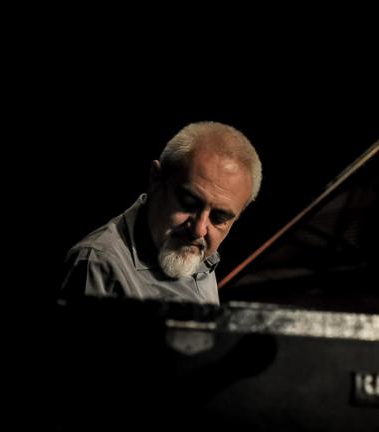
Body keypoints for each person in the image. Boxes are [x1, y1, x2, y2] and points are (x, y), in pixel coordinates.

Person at [60, 121, 262, 304]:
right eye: (188, 203)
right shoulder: (98, 264)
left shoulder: (198, 253)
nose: (199, 230)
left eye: (218, 218)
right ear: (156, 179)